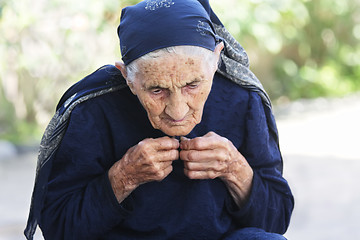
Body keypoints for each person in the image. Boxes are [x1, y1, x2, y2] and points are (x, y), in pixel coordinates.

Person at [24, 0, 294, 239]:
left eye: (192, 85)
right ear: (127, 78)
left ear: (215, 60)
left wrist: (234, 169)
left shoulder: (242, 100)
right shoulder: (93, 109)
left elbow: (276, 220)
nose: (177, 111)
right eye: (157, 90)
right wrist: (123, 177)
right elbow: (59, 228)